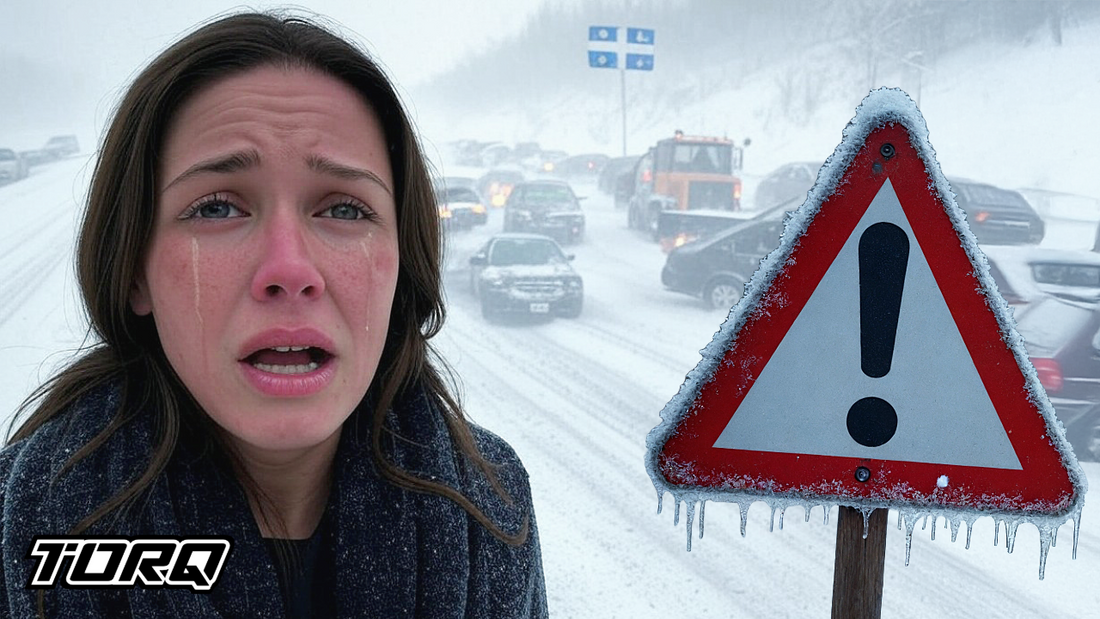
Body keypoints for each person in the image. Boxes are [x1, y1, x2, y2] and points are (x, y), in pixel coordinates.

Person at [0, 11, 546, 618]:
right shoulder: (21, 519)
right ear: (134, 270)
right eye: (215, 209)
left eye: (344, 210)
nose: (290, 269)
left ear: (400, 263)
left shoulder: (492, 506)